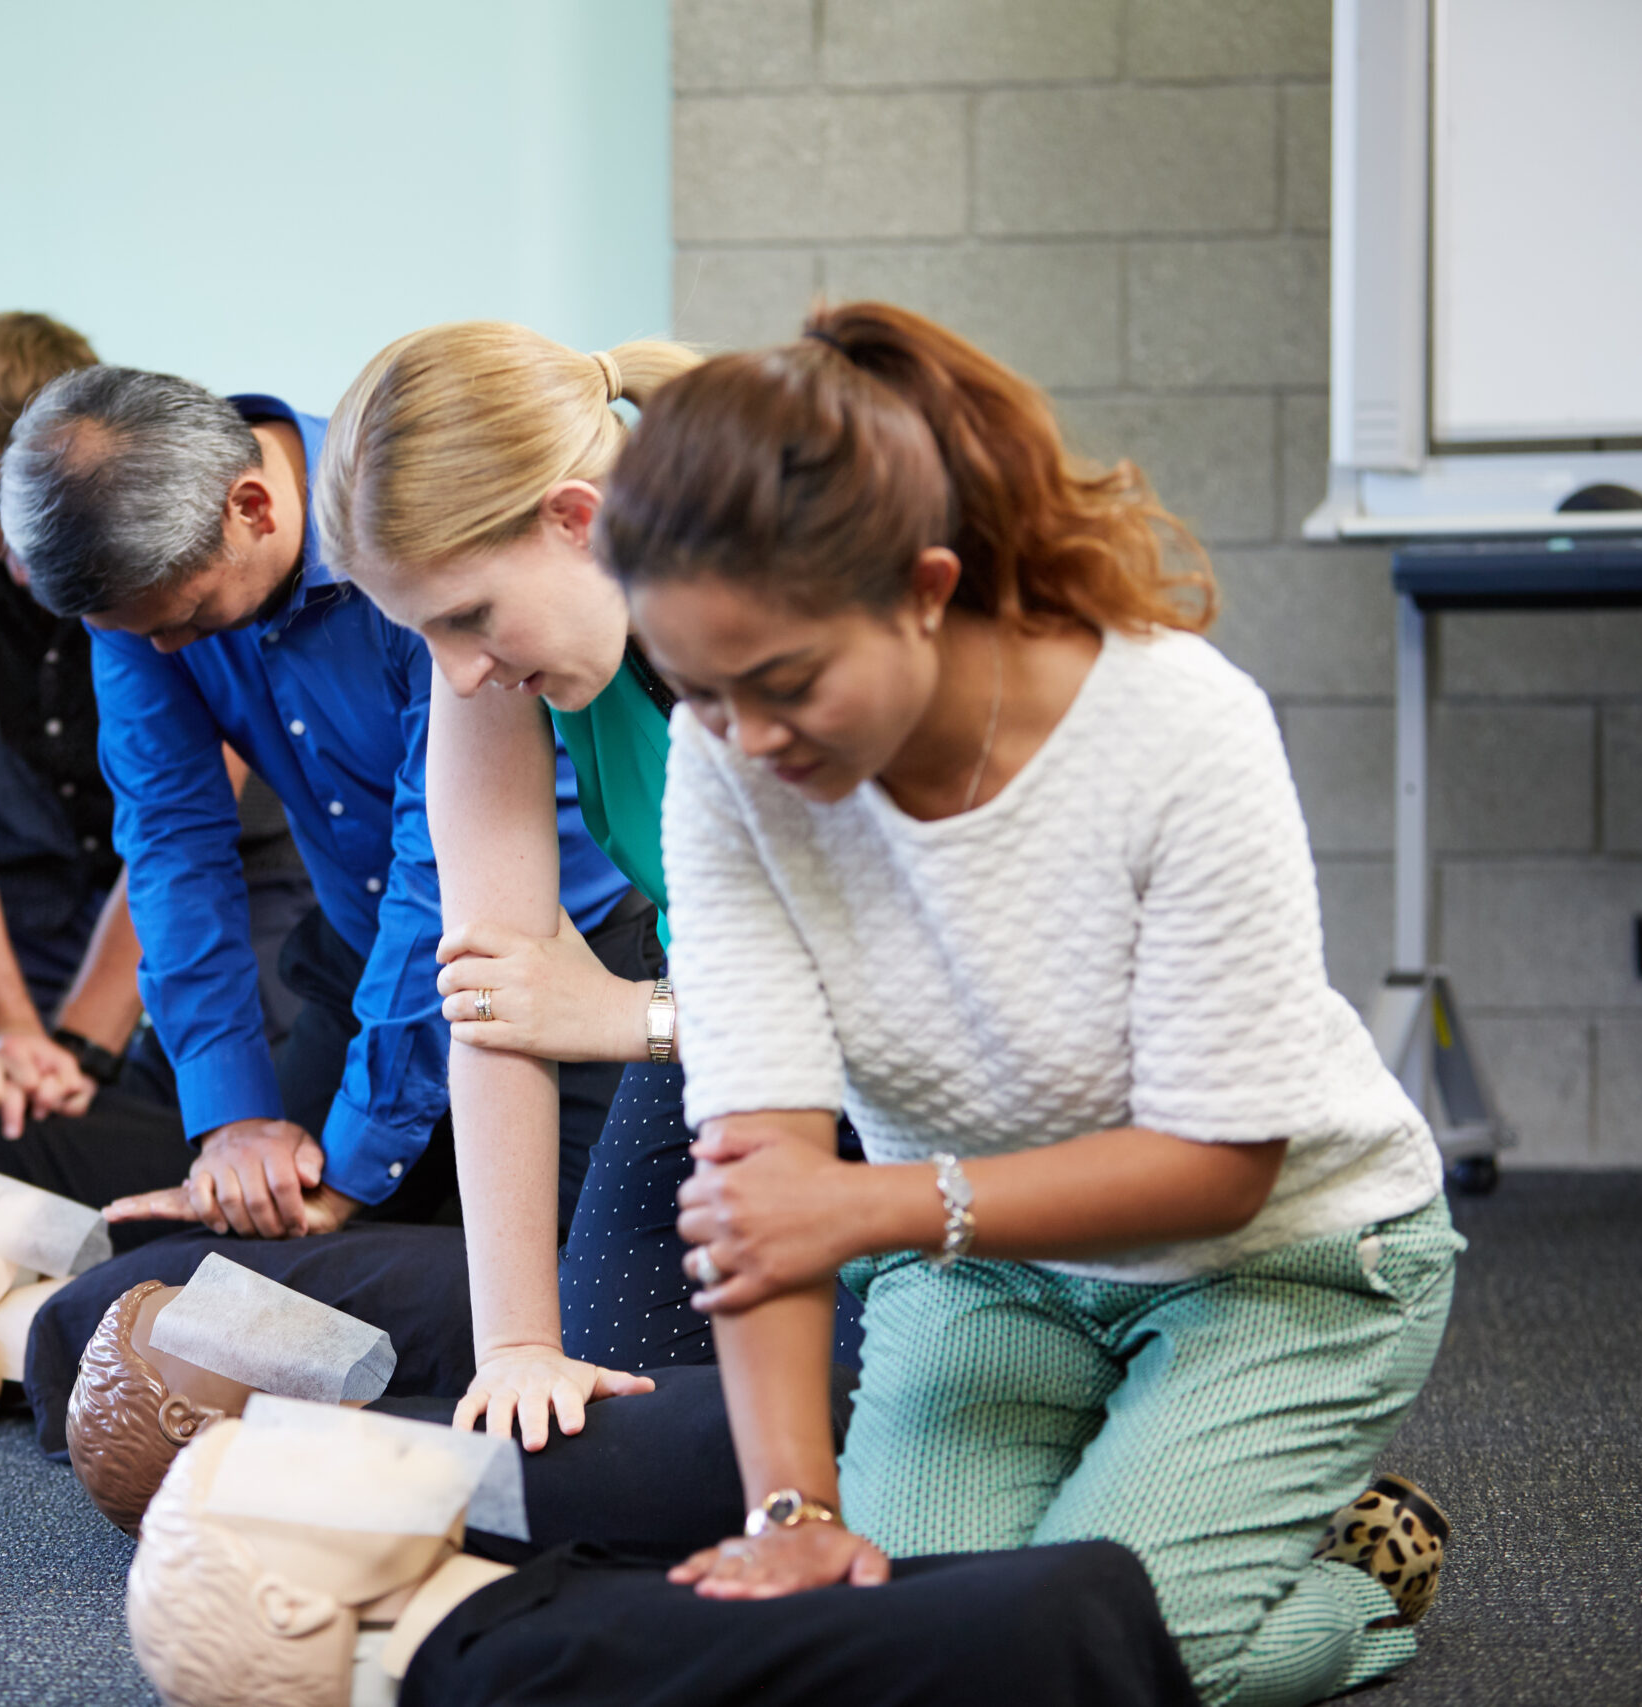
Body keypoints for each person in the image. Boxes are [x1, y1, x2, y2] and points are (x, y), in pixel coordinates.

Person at [603, 302, 1459, 1705]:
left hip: (1282, 1265)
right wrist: (793, 1521)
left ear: (926, 588)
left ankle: (1353, 1577)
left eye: (787, 681)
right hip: (992, 1275)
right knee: (895, 1652)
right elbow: (759, 1166)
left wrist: (872, 1205)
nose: (749, 738)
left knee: (1070, 1668)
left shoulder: (1179, 724)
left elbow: (1221, 1165)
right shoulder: (729, 766)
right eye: (699, 694)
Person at [322, 322, 862, 1456]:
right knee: (603, 1402)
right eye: (426, 634)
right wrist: (517, 1346)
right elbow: (495, 991)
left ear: (576, 521)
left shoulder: (801, 619)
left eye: (468, 617)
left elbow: (920, 993)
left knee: (849, 1414)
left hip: (902, 1064)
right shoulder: (494, 655)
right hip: (715, 1023)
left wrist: (631, 1019)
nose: (460, 671)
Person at [0, 366, 641, 1244]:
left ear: (252, 508)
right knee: (259, 1260)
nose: (167, 649)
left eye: (189, 618)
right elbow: (174, 848)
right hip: (360, 951)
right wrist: (234, 1123)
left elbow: (440, 868)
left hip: (570, 955)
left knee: (530, 1285)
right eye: (137, 633)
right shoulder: (142, 603)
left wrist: (357, 1161)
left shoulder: (407, 529)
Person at [0, 314, 315, 1137]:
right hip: (24, 848)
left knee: (212, 1131)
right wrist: (10, 1032)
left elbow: (183, 815)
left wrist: (84, 1047)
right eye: (0, 544)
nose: (24, 571)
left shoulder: (152, 477)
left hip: (238, 844)